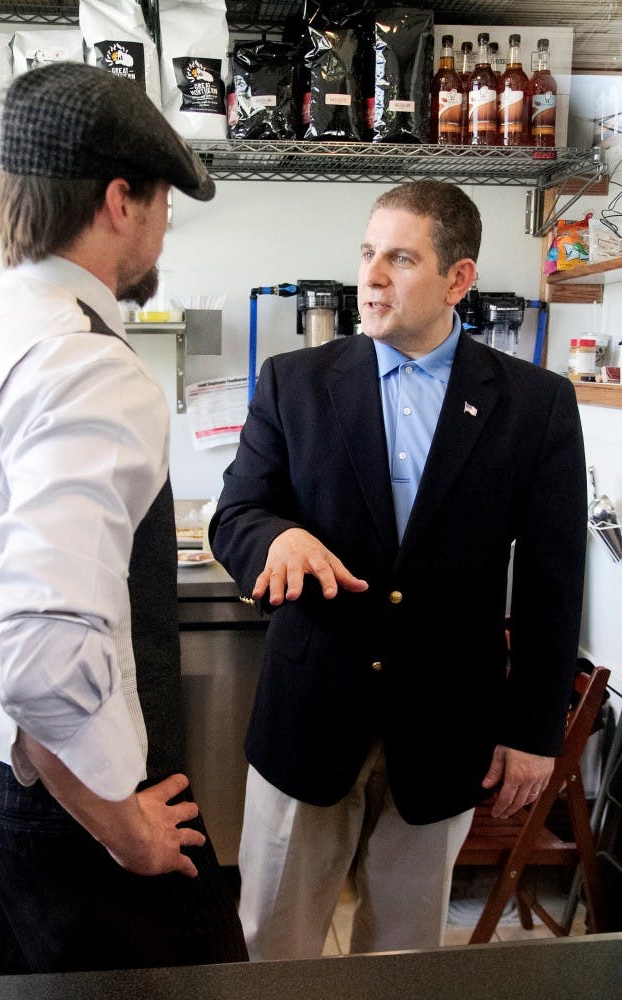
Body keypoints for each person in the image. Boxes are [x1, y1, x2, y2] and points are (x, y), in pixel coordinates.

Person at [210, 180, 587, 960]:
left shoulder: (535, 403)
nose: (371, 277)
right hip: (309, 710)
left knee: (406, 957)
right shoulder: (294, 382)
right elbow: (236, 514)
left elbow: (554, 579)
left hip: (447, 722)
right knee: (272, 945)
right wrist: (274, 540)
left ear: (457, 278)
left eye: (400, 258)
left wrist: (532, 732)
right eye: (366, 254)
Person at [0, 62, 247, 975]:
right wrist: (123, 827)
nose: (164, 227)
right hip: (79, 807)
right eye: (164, 202)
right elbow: (43, 654)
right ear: (120, 200)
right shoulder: (87, 365)